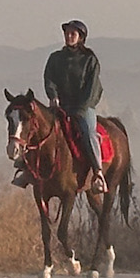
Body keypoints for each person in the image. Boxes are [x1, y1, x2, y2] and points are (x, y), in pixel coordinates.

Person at [44, 20, 106, 195]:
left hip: (83, 107)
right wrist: (53, 97)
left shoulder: (90, 60)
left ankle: (98, 173)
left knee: (88, 132)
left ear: (80, 37)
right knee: (38, 127)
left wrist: (81, 109)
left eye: (73, 34)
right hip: (61, 105)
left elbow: (92, 87)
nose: (69, 36)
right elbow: (50, 79)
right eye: (67, 33)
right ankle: (26, 170)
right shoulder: (55, 58)